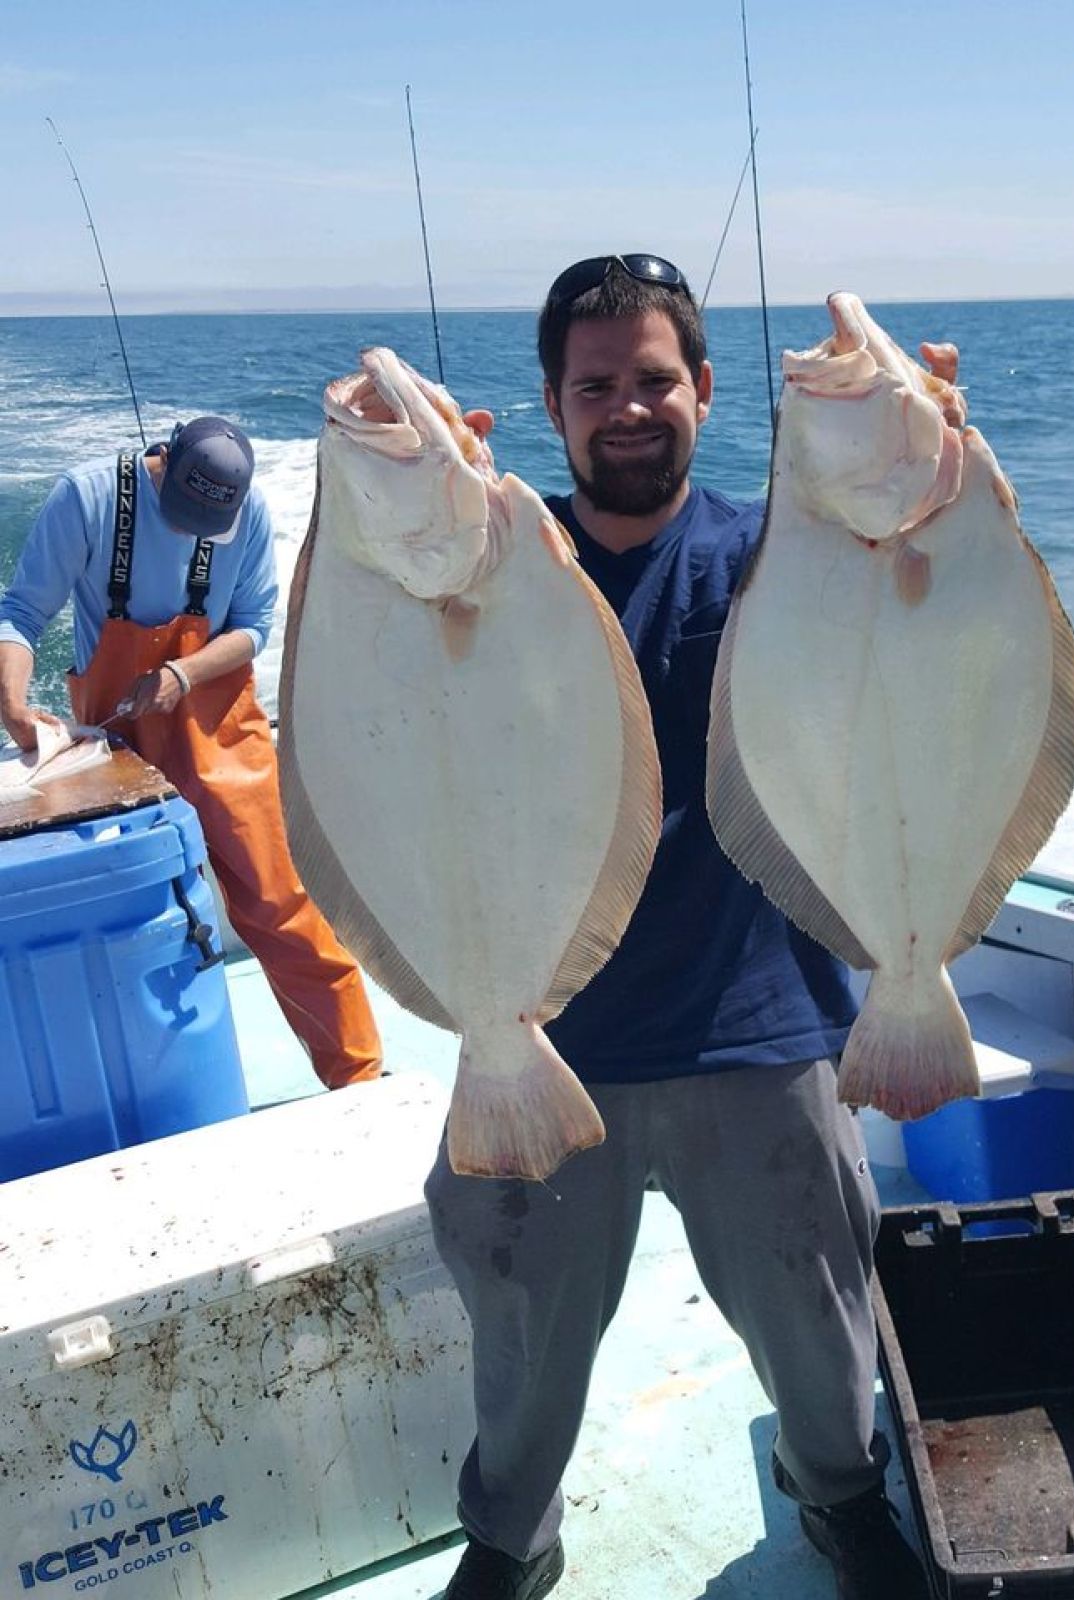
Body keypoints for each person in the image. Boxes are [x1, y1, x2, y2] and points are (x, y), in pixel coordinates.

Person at [428, 255, 961, 1600]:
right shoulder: (490, 581)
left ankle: (841, 1498)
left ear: (706, 392)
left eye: (653, 379)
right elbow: (382, 711)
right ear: (549, 405)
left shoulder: (786, 552)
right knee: (524, 1338)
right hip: (550, 1038)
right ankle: (510, 1540)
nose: (627, 407)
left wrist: (930, 473)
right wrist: (406, 504)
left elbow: (926, 628)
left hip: (759, 1021)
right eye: (595, 384)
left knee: (820, 1318)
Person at [0, 416, 383, 1091]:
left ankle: (359, 1076)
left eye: (208, 521)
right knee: (133, 910)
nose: (191, 529)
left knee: (280, 899)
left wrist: (181, 676)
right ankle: (143, 1085)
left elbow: (254, 628)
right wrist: (12, 705)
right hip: (117, 736)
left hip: (216, 719)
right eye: (182, 512)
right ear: (163, 460)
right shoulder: (87, 498)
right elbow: (22, 614)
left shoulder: (249, 515)